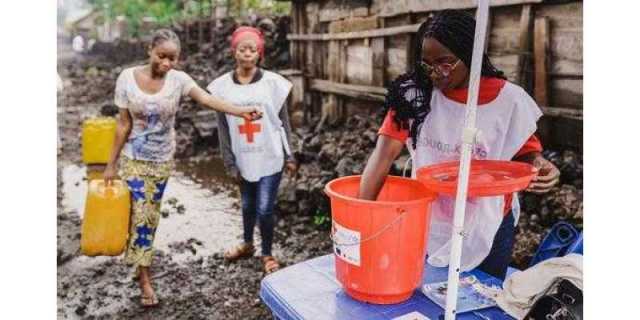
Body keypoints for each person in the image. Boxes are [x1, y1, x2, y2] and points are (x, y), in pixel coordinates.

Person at [359, 10, 560, 280]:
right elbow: (382, 157)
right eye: (426, 64)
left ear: (469, 55)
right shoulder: (415, 96)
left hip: (488, 222)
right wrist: (361, 218)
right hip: (428, 216)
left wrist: (541, 166)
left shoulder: (509, 101)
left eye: (445, 63)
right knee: (426, 290)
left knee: (482, 296)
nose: (434, 73)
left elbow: (527, 153)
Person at [103, 28, 261, 307]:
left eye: (172, 59)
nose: (166, 64)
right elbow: (123, 123)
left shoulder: (179, 80)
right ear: (149, 50)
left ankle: (139, 261)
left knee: (148, 219)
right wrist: (110, 164)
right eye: (161, 56)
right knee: (142, 215)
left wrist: (240, 110)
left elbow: (207, 99)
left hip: (162, 159)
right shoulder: (127, 78)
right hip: (132, 158)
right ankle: (145, 280)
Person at [207, 26, 297, 274]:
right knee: (247, 205)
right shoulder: (222, 88)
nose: (247, 53)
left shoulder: (273, 84)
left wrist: (290, 155)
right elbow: (223, 128)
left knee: (265, 207)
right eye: (242, 48)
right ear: (234, 52)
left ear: (260, 54)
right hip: (243, 156)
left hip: (271, 154)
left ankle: (267, 253)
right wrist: (229, 161)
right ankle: (247, 244)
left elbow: (283, 123)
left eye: (253, 49)